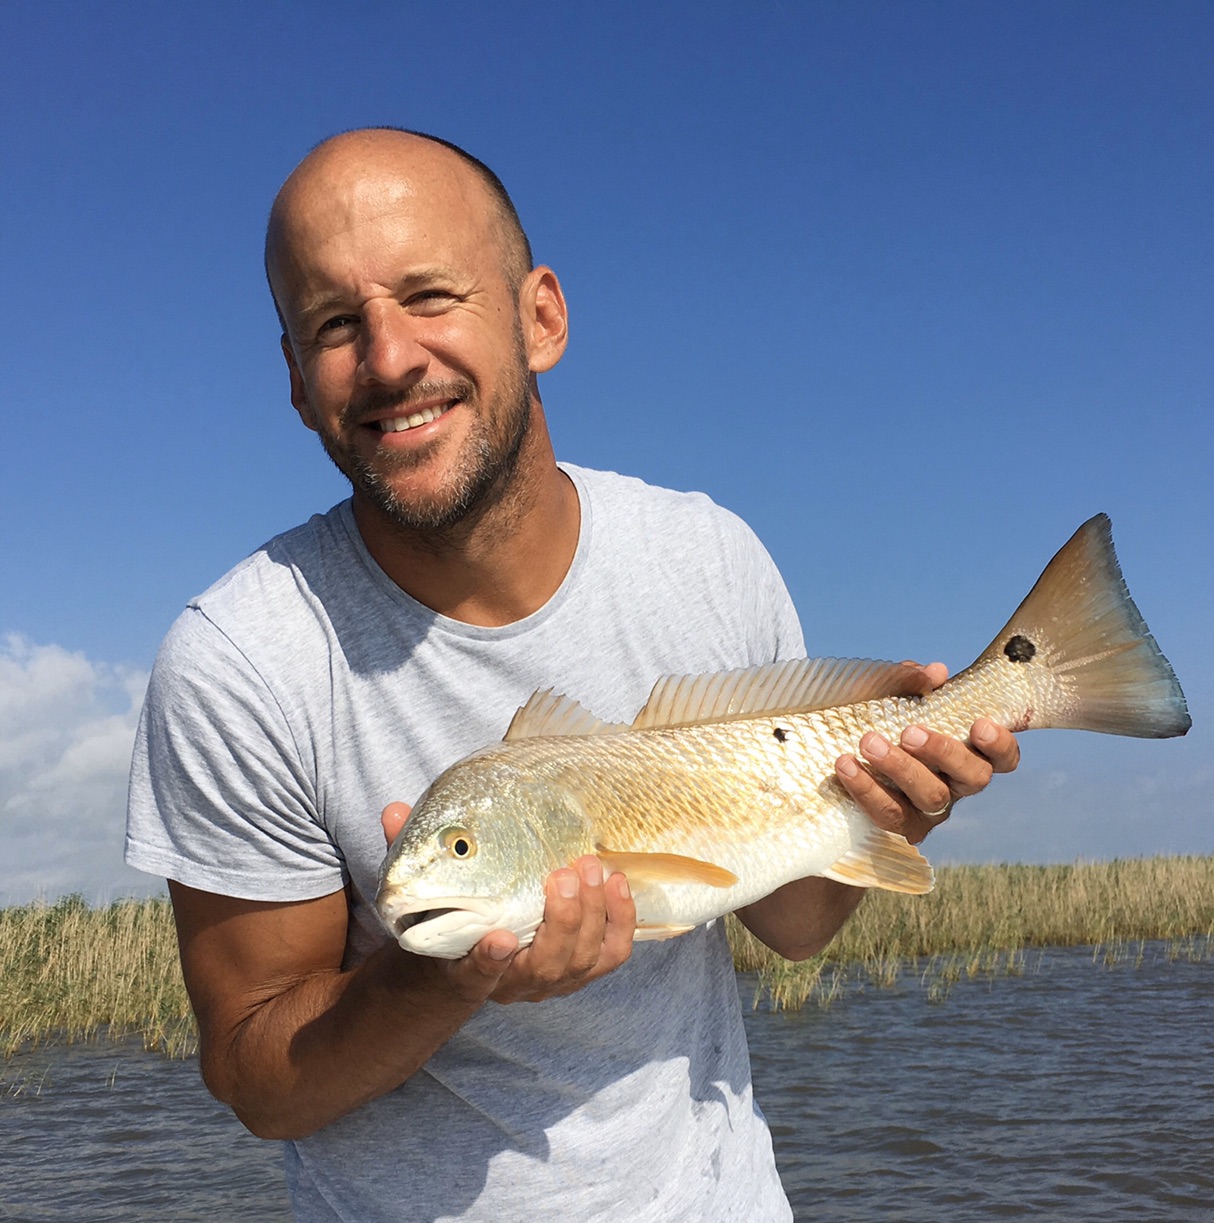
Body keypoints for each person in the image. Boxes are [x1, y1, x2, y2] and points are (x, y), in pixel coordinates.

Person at [125, 128, 1019, 1221]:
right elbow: (260, 1080)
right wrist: (447, 972)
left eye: (429, 295)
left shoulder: (708, 556)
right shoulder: (235, 661)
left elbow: (791, 923)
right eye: (333, 324)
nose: (390, 356)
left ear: (539, 315)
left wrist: (893, 809)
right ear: (298, 381)